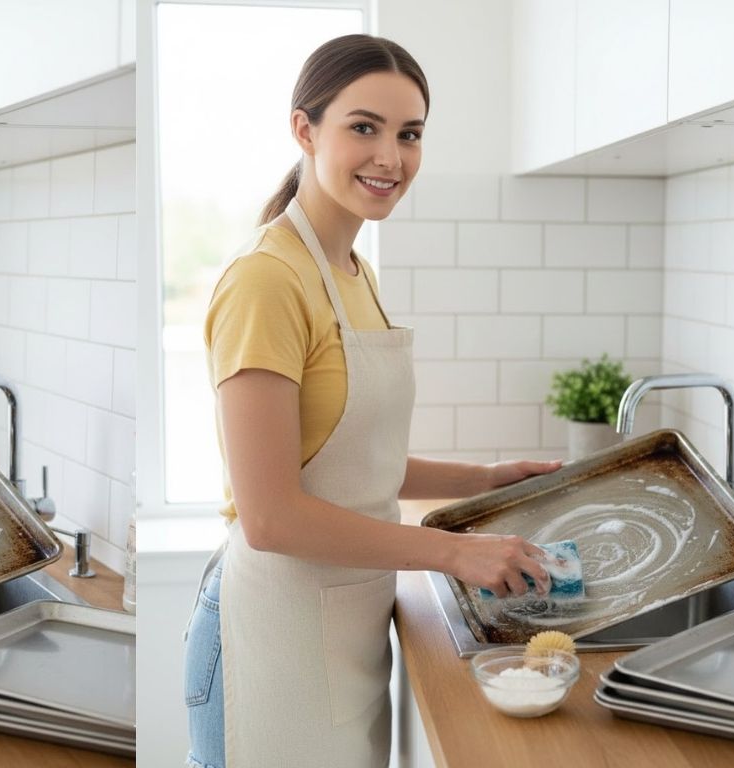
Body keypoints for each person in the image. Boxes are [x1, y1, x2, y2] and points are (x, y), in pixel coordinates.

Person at [182, 34, 565, 767]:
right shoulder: (266, 281)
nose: (390, 157)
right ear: (305, 129)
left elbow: (351, 462)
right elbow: (270, 515)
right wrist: (454, 551)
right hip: (274, 635)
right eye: (364, 127)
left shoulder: (351, 271)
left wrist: (483, 480)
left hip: (344, 629)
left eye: (409, 134)